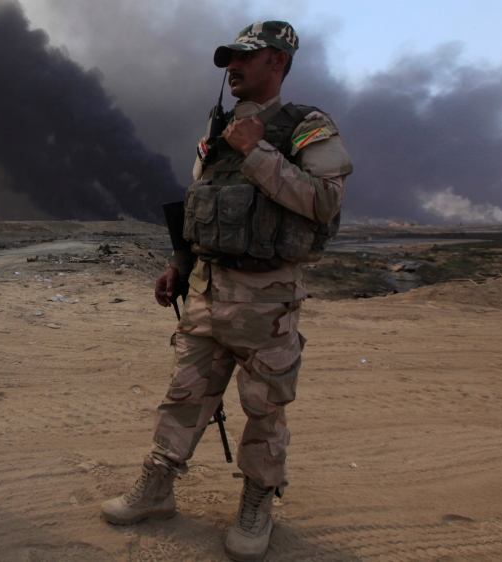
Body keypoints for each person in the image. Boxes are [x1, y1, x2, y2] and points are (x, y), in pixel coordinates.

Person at [100, 22, 353, 561]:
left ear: (278, 61)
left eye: (245, 57)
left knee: (264, 409)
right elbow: (204, 208)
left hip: (268, 303)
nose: (232, 67)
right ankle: (157, 486)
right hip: (206, 295)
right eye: (229, 59)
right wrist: (179, 264)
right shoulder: (217, 131)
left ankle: (257, 501)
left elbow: (325, 202)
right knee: (184, 395)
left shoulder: (307, 127)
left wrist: (257, 151)